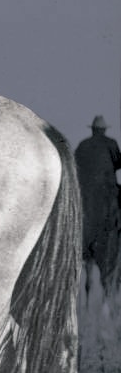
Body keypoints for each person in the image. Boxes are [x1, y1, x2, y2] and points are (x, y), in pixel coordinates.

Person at [74, 115, 121, 295]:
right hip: (107, 196)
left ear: (92, 130)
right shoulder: (111, 144)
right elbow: (118, 162)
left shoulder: (83, 146)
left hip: (84, 198)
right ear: (104, 130)